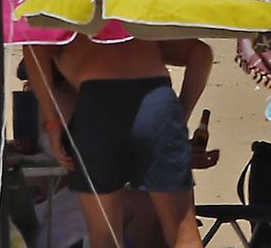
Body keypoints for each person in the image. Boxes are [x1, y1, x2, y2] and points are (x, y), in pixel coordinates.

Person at [24, 35, 212, 248]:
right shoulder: (131, 14)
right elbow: (201, 52)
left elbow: (34, 47)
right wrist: (180, 114)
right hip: (156, 98)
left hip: (99, 102)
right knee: (183, 235)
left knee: (105, 239)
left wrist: (53, 124)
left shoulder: (68, 11)